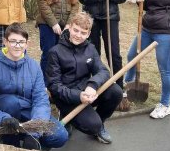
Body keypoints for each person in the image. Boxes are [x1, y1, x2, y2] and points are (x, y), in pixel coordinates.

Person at [0, 23, 69, 150]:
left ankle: (30, 143)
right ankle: (10, 142)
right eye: (13, 41)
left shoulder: (34, 67)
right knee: (11, 102)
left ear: (27, 44)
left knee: (60, 135)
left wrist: (35, 131)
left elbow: (41, 100)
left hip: (29, 112)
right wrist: (3, 119)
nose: (17, 46)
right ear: (5, 42)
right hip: (5, 114)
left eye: (21, 42)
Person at [46, 12, 123, 144]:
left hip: (87, 93)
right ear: (69, 27)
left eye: (83, 33)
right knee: (92, 125)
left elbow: (103, 71)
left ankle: (100, 123)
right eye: (75, 30)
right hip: (66, 97)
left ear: (88, 34)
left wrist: (92, 85)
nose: (78, 35)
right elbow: (54, 86)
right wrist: (78, 96)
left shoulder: (90, 49)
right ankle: (68, 117)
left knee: (116, 92)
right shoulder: (55, 52)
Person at [78, 0, 127, 89]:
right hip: (91, 19)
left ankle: (118, 85)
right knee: (93, 52)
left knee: (114, 53)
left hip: (110, 18)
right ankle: (94, 84)